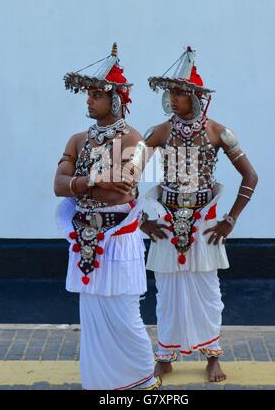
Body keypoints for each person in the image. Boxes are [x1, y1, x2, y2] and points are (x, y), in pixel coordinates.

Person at [140, 46, 258, 382]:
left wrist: (230, 220)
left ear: (196, 97)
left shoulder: (219, 132)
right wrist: (144, 220)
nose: (173, 99)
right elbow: (129, 175)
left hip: (206, 221)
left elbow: (251, 176)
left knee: (207, 291)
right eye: (171, 93)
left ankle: (212, 355)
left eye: (180, 93)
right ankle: (164, 354)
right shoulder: (159, 131)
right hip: (166, 219)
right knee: (167, 290)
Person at [54, 43, 161, 390]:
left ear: (115, 100)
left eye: (96, 95)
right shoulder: (77, 139)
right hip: (85, 239)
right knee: (93, 316)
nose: (88, 101)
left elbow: (124, 187)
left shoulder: (135, 139)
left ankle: (143, 384)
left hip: (119, 239)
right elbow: (58, 186)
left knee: (125, 316)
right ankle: (101, 386)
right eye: (87, 95)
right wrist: (92, 180)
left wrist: (80, 185)